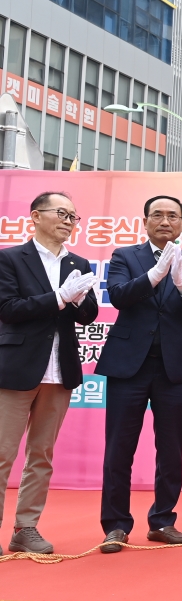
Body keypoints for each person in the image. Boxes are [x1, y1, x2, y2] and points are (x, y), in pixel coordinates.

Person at [96, 196, 182, 554]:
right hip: (128, 365)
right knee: (119, 449)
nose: (165, 221)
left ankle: (162, 520)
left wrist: (181, 284)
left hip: (173, 368)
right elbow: (117, 296)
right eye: (157, 215)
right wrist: (154, 275)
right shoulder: (125, 257)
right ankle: (115, 526)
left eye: (172, 216)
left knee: (171, 449)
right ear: (145, 221)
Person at [0, 192, 99, 555]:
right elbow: (7, 309)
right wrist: (58, 297)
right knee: (2, 453)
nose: (68, 221)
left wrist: (76, 299)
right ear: (35, 216)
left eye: (74, 216)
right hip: (15, 368)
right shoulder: (9, 258)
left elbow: (87, 313)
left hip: (60, 370)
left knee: (41, 454)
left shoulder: (79, 261)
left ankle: (26, 528)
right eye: (62, 213)